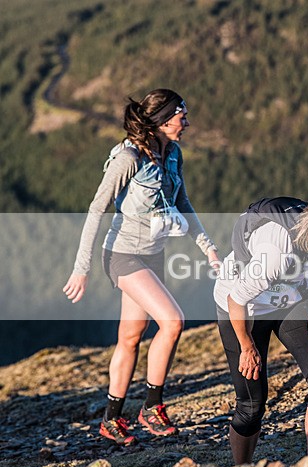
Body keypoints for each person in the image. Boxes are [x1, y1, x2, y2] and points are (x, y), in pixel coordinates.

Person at [63, 88, 219, 446]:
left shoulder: (174, 154)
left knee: (131, 337)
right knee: (173, 321)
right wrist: (80, 268)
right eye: (182, 117)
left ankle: (111, 420)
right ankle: (152, 407)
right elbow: (96, 209)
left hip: (152, 254)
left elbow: (183, 203)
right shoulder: (129, 158)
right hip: (122, 254)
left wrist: (209, 250)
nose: (188, 123)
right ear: (163, 121)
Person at [214, 193, 308, 465]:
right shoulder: (277, 253)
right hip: (244, 308)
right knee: (251, 406)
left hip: (291, 298)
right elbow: (235, 300)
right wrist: (247, 347)